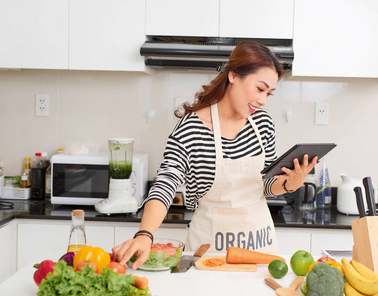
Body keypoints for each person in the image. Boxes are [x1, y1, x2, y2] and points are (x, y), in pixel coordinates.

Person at [113, 41, 317, 270]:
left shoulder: (263, 124)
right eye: (260, 89)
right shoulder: (191, 129)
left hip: (260, 250)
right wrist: (144, 234)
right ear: (233, 76)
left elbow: (267, 185)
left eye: (269, 93)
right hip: (208, 253)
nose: (263, 101)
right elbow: (166, 183)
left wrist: (291, 183)